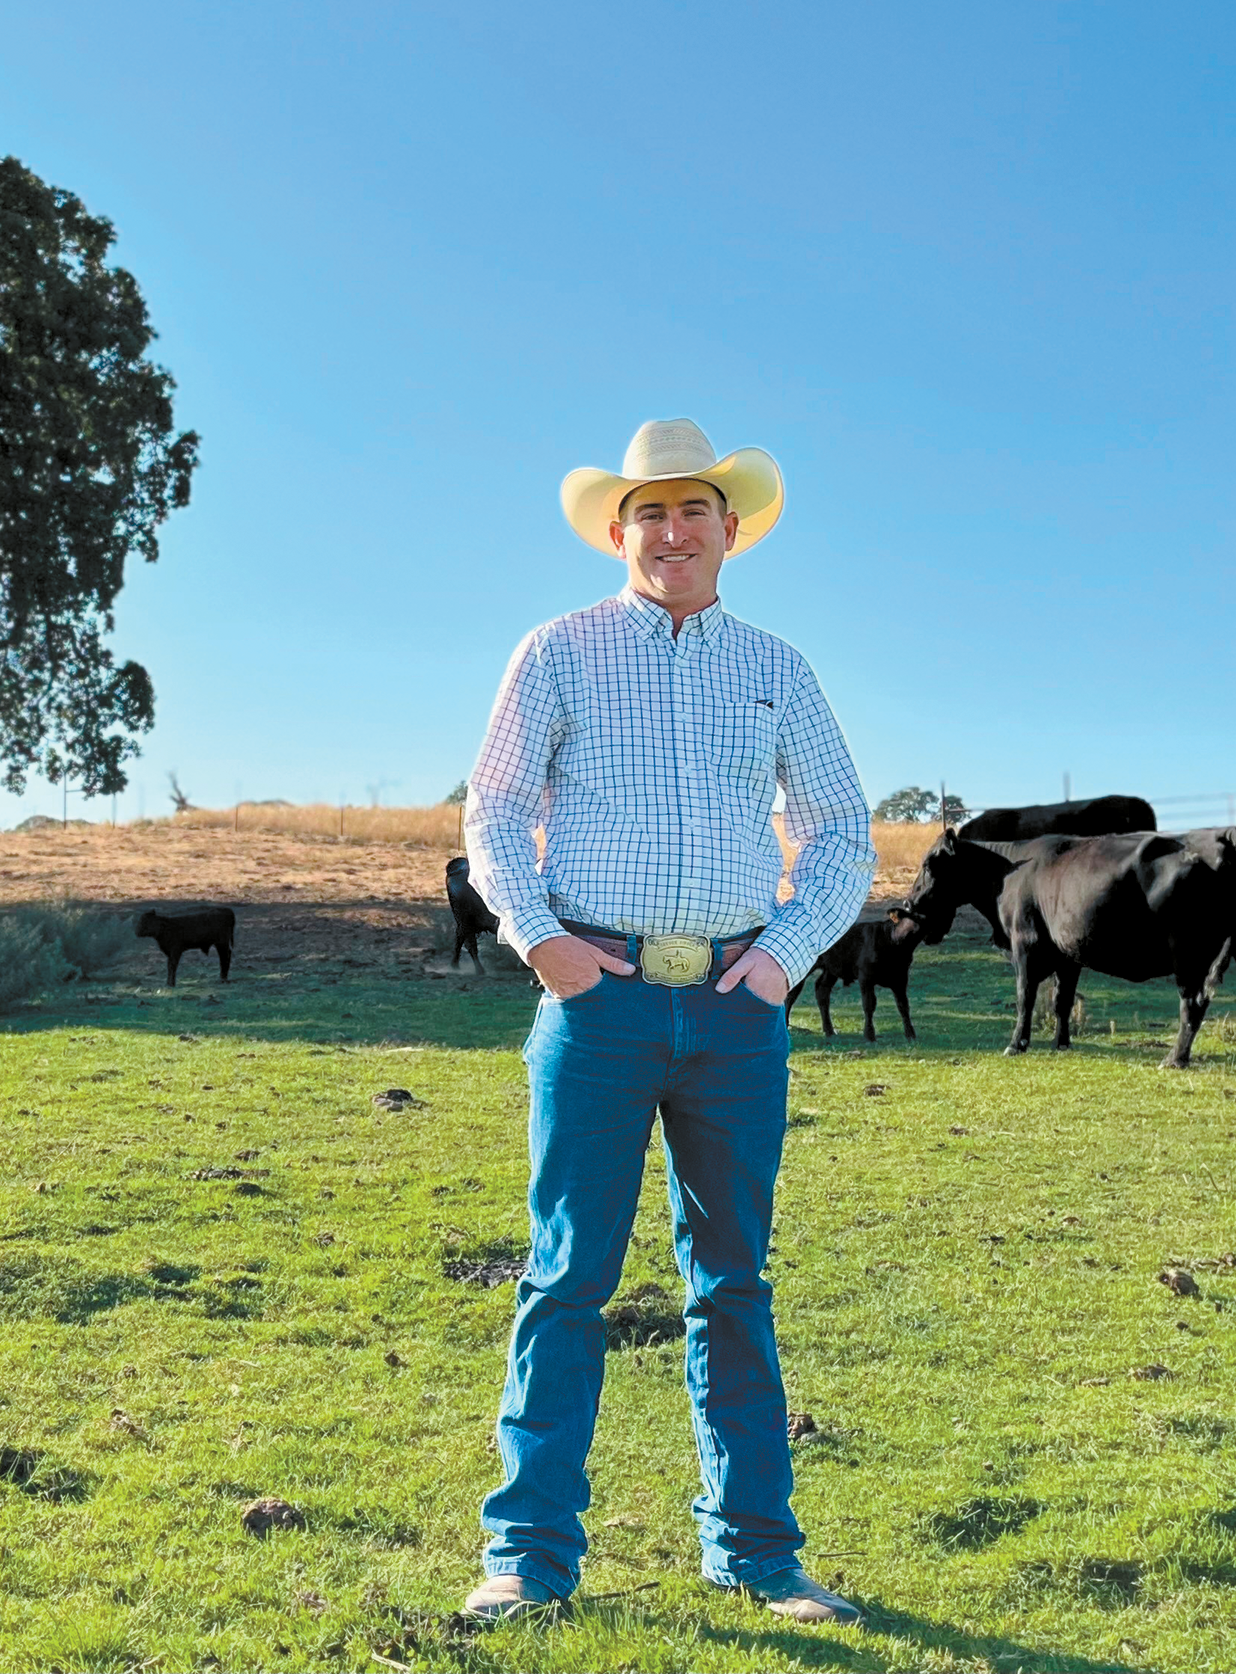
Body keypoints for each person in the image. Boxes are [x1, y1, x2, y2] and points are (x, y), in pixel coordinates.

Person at [460, 417, 876, 1626]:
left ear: (732, 531)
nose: (674, 531)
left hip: (738, 1012)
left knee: (733, 1283)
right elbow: (492, 811)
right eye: (652, 511)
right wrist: (543, 945)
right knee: (565, 1279)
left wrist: (784, 960)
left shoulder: (779, 669)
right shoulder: (559, 652)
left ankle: (758, 1555)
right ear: (617, 531)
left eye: (696, 510)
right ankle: (526, 1559)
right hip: (599, 1007)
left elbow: (843, 829)